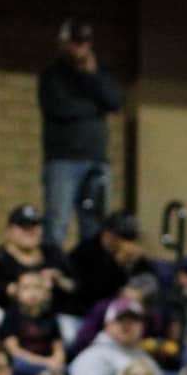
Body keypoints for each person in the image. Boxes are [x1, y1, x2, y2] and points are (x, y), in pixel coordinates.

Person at [37, 16, 121, 247]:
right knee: (57, 224)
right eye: (75, 42)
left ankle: (88, 269)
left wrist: (91, 76)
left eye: (85, 42)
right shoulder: (52, 75)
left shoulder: (99, 75)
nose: (81, 47)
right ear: (64, 43)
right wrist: (96, 107)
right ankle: (52, 266)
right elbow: (61, 108)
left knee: (94, 227)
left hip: (96, 161)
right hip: (63, 161)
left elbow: (115, 102)